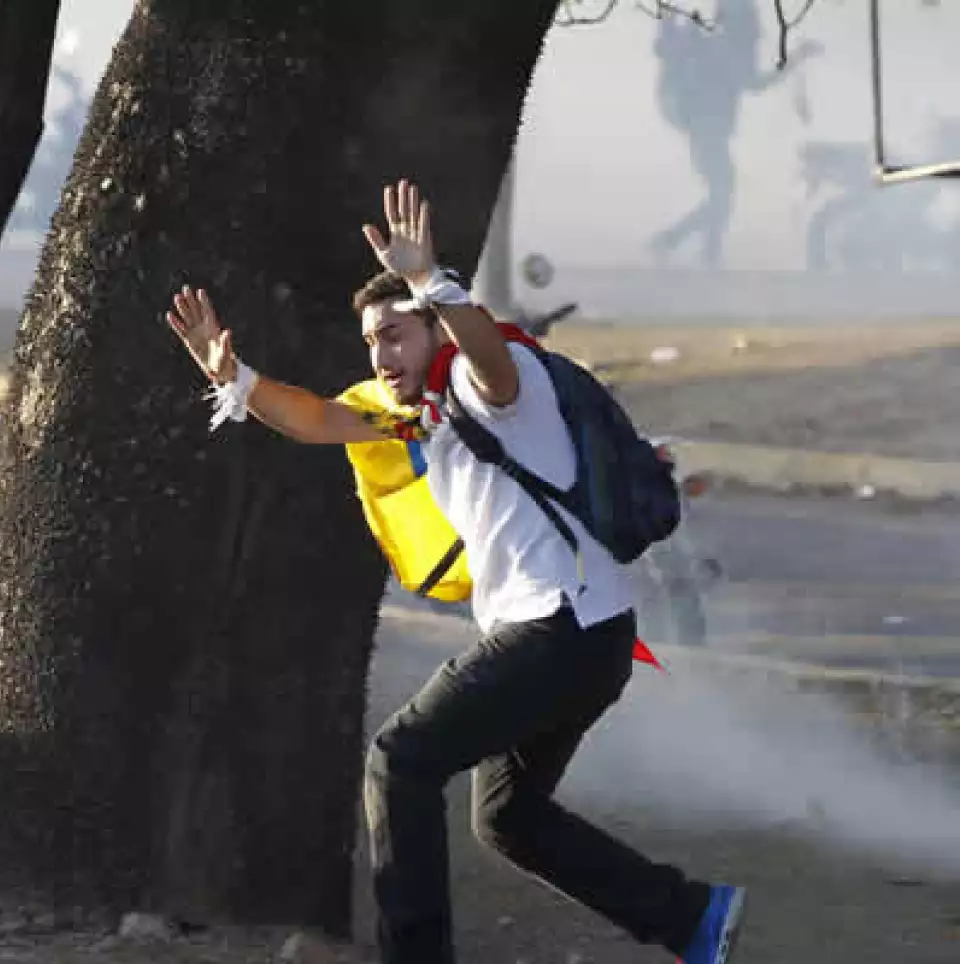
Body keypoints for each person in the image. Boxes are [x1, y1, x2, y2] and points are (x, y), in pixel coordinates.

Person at [165, 179, 746, 964]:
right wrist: (231, 378)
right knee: (508, 818)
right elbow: (315, 418)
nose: (381, 353)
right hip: (582, 638)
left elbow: (487, 356)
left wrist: (430, 282)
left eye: (397, 334)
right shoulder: (414, 408)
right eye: (372, 339)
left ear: (435, 329)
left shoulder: (494, 382)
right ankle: (691, 917)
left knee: (398, 760)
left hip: (560, 630)